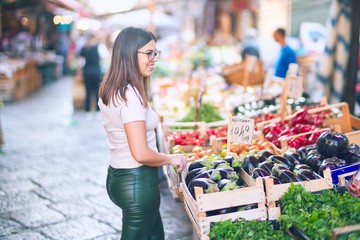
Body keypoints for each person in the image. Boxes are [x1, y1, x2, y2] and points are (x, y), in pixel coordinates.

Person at [97, 27, 187, 240]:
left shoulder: (111, 89)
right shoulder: (130, 96)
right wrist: (171, 158)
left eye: (155, 53)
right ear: (129, 53)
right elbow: (141, 153)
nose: (154, 58)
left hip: (118, 177)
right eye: (148, 53)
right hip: (137, 182)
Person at [80, 33, 108, 112]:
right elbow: (105, 56)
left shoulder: (84, 48)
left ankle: (87, 108)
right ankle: (97, 108)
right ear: (93, 38)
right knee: (97, 91)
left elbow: (81, 61)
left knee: (88, 90)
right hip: (96, 71)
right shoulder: (98, 47)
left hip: (87, 71)